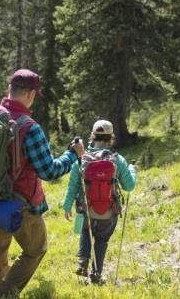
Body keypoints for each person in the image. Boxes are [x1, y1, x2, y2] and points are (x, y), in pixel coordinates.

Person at [0, 69, 85, 298]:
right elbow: (49, 171)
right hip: (20, 205)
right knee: (35, 249)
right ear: (30, 94)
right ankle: (1, 295)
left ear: (9, 90)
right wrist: (72, 155)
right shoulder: (29, 127)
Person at [62, 120, 136, 284]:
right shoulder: (117, 160)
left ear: (91, 137)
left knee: (85, 232)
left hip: (85, 209)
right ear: (111, 139)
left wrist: (67, 206)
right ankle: (96, 273)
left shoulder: (81, 160)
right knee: (101, 240)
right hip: (108, 212)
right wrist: (132, 170)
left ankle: (82, 262)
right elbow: (129, 186)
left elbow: (72, 186)